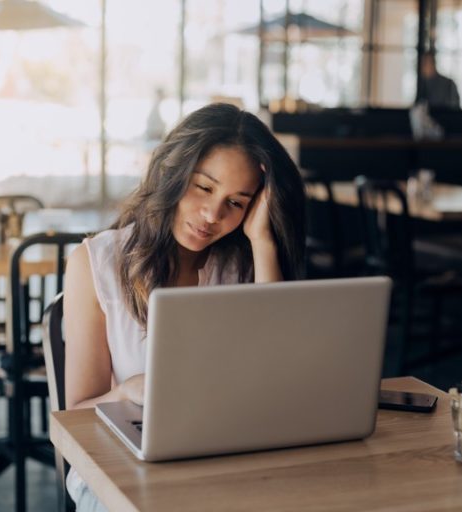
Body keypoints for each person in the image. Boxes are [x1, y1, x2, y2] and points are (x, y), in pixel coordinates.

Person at [62, 102, 306, 510]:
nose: (212, 215)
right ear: (172, 174)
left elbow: (280, 374)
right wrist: (126, 391)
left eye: (236, 202)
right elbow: (77, 414)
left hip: (228, 457)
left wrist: (263, 242)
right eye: (204, 187)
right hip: (122, 470)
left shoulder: (241, 263)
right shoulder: (96, 264)